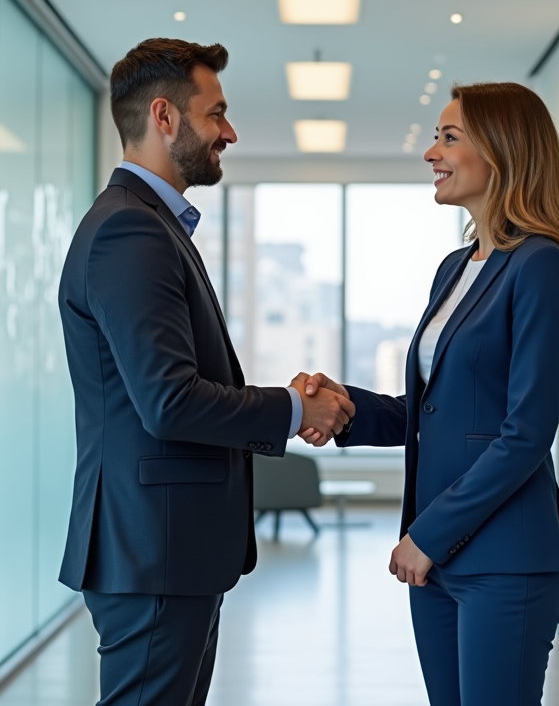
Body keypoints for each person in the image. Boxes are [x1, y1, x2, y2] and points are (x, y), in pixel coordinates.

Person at [57, 38, 355, 706]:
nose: (230, 131)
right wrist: (293, 409)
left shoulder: (151, 225)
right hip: (152, 549)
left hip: (165, 548)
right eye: (216, 113)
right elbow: (169, 401)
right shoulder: (129, 232)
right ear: (165, 117)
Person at [300, 82, 559, 706]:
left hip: (502, 558)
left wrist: (428, 534)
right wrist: (344, 405)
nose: (431, 152)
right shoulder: (455, 268)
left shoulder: (540, 265)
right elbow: (434, 410)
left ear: (503, 151)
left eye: (449, 137)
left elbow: (526, 433)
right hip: (438, 561)